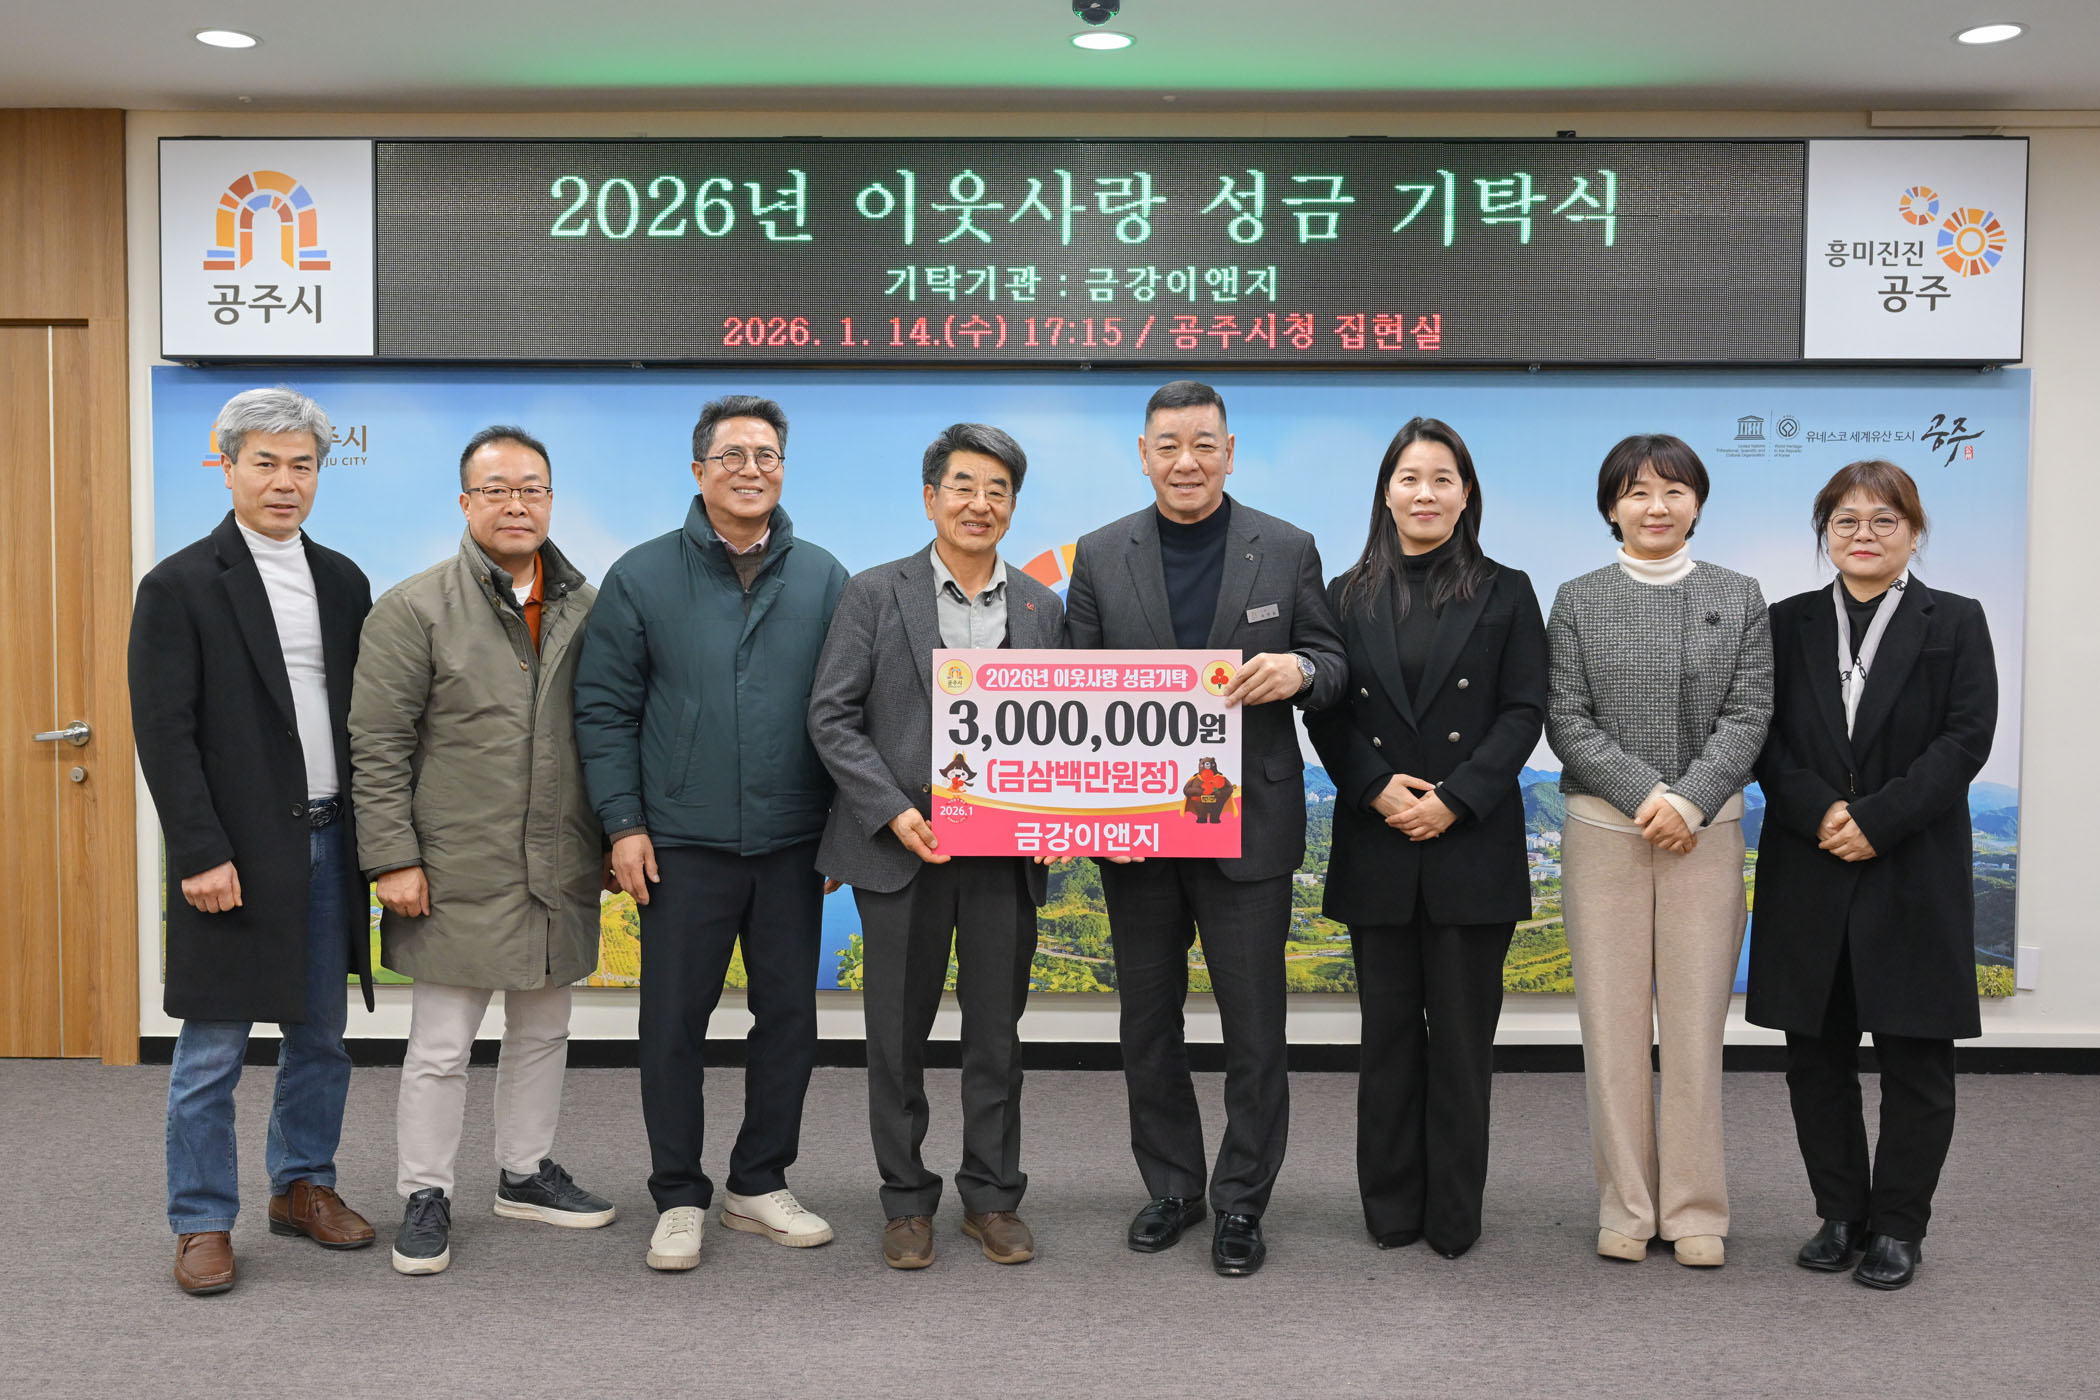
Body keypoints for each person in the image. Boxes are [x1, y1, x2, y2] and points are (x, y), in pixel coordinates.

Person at [1062, 380, 1345, 1277]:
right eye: (1169, 445)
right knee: (1147, 1024)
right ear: (1144, 455)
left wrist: (1299, 671)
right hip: (1138, 828)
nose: (1186, 461)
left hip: (1246, 824)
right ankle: (1173, 1186)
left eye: (1203, 444)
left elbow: (1334, 661)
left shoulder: (1287, 547)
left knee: (1254, 1029)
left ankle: (1242, 1201)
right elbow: (1073, 688)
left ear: (1229, 451)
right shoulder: (1100, 555)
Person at [574, 395, 848, 1272]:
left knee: (790, 1022)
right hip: (679, 845)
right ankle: (678, 1195)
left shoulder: (824, 577)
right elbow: (604, 709)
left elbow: (848, 709)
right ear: (699, 471)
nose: (750, 470)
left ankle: (758, 1182)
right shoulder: (642, 575)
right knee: (671, 1027)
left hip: (792, 843)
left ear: (783, 470)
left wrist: (842, 827)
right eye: (732, 455)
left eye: (767, 455)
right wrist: (623, 824)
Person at [350, 425, 617, 1277]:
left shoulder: (590, 606)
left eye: (531, 488)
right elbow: (378, 745)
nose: (515, 504)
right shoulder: (414, 608)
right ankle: (425, 1193)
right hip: (452, 866)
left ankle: (525, 1173)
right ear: (465, 503)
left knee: (544, 1029)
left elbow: (611, 732)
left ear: (551, 501)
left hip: (559, 862)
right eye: (496, 489)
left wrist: (614, 837)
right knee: (440, 1047)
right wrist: (392, 857)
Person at [129, 386, 376, 1295]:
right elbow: (166, 733)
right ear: (227, 465)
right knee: (212, 1052)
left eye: (302, 465)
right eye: (265, 463)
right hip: (233, 855)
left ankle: (302, 1185)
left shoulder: (343, 581)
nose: (284, 482)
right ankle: (200, 1219)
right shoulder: (180, 584)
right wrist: (199, 852)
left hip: (329, 845)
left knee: (321, 1039)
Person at [808, 423, 1063, 1270]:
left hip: (1003, 858)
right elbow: (832, 716)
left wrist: (1063, 819)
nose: (979, 504)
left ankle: (992, 1196)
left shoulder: (1043, 607)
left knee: (997, 1036)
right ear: (930, 498)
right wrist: (889, 811)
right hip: (901, 853)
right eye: (963, 486)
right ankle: (906, 1200)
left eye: (997, 490)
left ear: (1013, 506)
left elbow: (1063, 734)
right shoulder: (874, 594)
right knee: (896, 1037)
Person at [1748, 460, 1995, 1291]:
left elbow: (1966, 739)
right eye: (1845, 520)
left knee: (1915, 1060)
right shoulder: (1785, 622)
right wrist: (1821, 811)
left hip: (1911, 864)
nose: (1864, 534)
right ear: (1825, 533)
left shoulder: (1955, 620)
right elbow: (1763, 736)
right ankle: (1840, 1213)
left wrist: (1878, 820)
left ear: (1914, 533)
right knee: (1815, 1059)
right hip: (1810, 861)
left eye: (1884, 520)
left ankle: (1898, 1226)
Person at [1304, 417, 1547, 1258]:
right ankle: (1390, 1207)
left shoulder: (1507, 590)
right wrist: (1374, 786)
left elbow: (1524, 711)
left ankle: (1453, 1214)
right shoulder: (1343, 594)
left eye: (1443, 479)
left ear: (1467, 493)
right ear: (1386, 492)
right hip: (1378, 842)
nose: (1425, 493)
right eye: (1410, 478)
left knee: (1463, 1045)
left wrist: (1456, 799)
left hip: (1469, 844)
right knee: (1387, 1042)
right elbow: (1325, 713)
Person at [1546, 432, 1772, 1269]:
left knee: (1695, 1030)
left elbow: (1750, 713)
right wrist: (1648, 796)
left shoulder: (1739, 595)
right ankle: (1627, 1206)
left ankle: (1695, 1207)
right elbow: (1565, 717)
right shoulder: (1578, 599)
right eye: (1637, 491)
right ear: (1611, 507)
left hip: (1704, 837)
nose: (1656, 507)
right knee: (1610, 1031)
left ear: (1697, 504)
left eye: (1674, 491)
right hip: (1605, 832)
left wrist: (1688, 800)